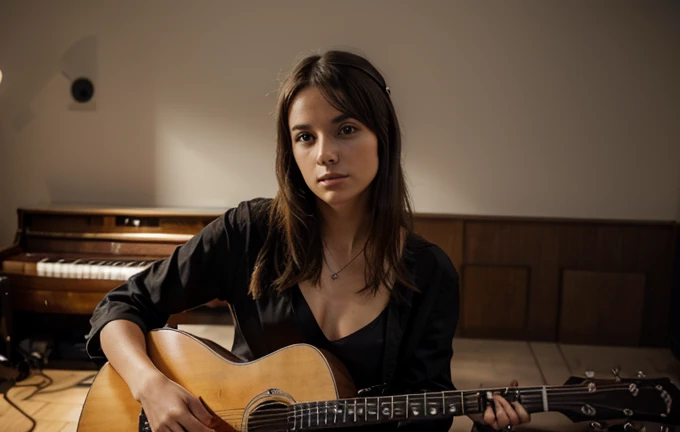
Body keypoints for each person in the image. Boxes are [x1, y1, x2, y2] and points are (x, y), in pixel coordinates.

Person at [86, 50, 531, 432]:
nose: (324, 154)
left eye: (346, 129)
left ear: (384, 137)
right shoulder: (250, 232)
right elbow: (121, 307)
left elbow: (424, 416)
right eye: (305, 137)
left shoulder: (428, 273)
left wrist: (484, 423)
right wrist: (151, 386)